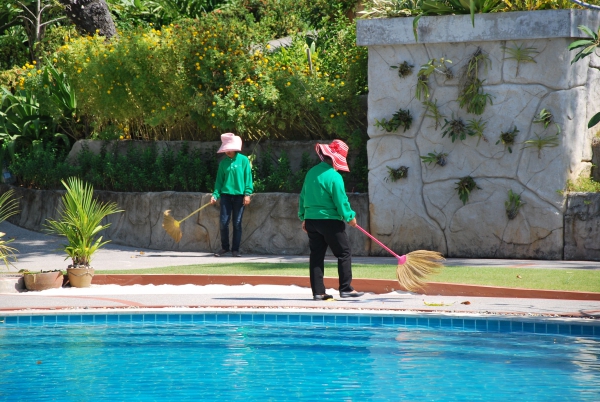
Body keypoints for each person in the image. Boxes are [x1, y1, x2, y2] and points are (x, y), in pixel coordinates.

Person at [298, 139, 364, 301]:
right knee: (344, 252)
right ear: (336, 160)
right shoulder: (334, 177)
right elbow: (340, 201)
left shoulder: (311, 172)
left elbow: (302, 196)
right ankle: (346, 288)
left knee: (316, 255)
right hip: (330, 221)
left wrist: (303, 217)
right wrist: (349, 216)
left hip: (312, 220)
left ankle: (318, 292)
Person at [210, 133, 253, 257]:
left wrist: (247, 194)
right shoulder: (223, 164)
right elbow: (219, 182)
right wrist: (215, 195)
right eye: (226, 149)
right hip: (226, 196)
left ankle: (235, 249)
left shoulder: (244, 160)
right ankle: (225, 248)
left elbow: (248, 178)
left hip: (240, 196)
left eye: (229, 149)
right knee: (223, 222)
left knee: (237, 223)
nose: (227, 151)